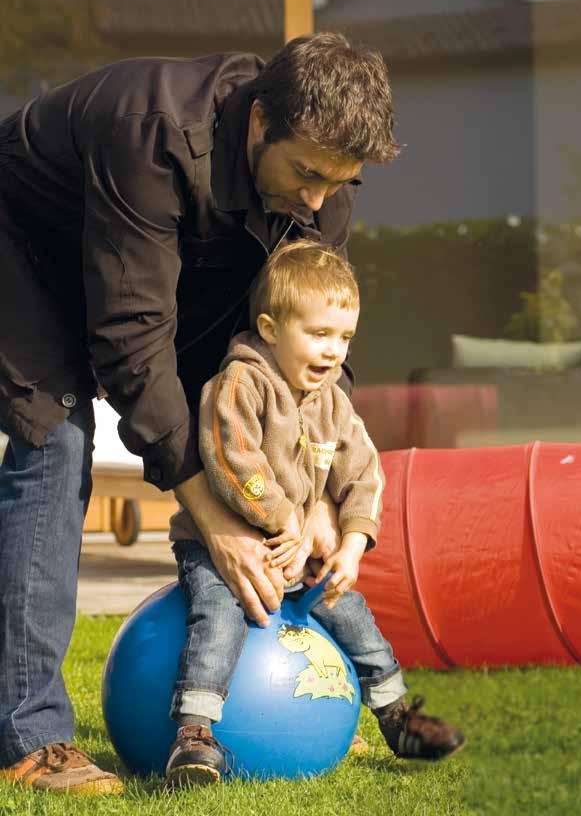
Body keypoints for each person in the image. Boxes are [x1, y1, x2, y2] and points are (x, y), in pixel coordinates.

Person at [0, 32, 399, 795]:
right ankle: (31, 737)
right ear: (258, 125)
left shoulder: (321, 185)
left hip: (142, 259)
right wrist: (211, 513)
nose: (319, 200)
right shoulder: (152, 131)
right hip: (20, 242)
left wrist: (315, 499)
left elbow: (302, 354)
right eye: (307, 174)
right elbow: (130, 341)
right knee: (56, 433)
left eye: (339, 183)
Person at [164, 241, 464, 786]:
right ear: (271, 329)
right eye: (319, 334)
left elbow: (365, 470)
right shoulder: (240, 385)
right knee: (220, 614)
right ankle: (194, 734)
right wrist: (286, 522)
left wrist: (352, 542)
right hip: (219, 546)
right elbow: (234, 461)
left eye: (344, 337)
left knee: (350, 612)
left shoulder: (332, 401)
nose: (333, 351)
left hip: (296, 554)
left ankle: (396, 716)